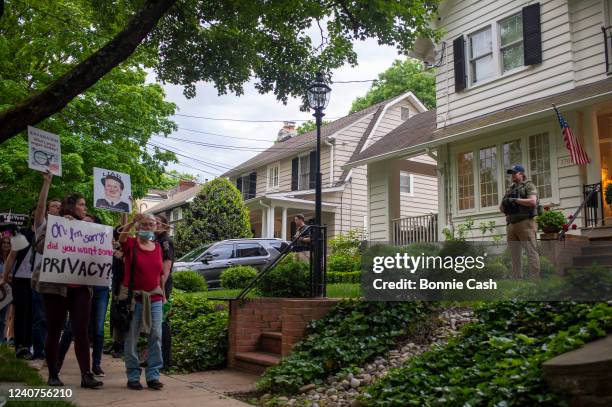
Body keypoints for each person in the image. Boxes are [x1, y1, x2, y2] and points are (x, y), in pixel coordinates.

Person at [31, 187, 102, 389]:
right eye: (81, 204)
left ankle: (86, 376)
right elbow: (40, 247)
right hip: (56, 287)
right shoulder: (54, 224)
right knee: (55, 330)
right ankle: (53, 375)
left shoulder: (88, 228)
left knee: (81, 332)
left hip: (81, 287)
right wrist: (61, 231)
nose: (85, 208)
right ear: (70, 206)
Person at [57, 214, 108, 377]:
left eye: (89, 223)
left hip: (99, 288)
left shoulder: (102, 241)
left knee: (98, 330)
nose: (84, 225)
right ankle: (56, 364)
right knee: (73, 328)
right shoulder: (74, 240)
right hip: (83, 289)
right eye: (82, 222)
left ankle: (96, 364)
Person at [119, 214, 165, 390]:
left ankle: (153, 375)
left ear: (155, 227)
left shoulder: (158, 247)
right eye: (144, 225)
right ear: (138, 227)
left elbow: (159, 273)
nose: (147, 228)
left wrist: (164, 294)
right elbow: (121, 238)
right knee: (131, 337)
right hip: (134, 300)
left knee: (156, 335)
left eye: (151, 225)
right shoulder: (131, 244)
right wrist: (130, 221)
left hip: (155, 298)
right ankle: (132, 376)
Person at [500, 165, 541, 279]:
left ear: (522, 174)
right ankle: (517, 280)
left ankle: (535, 281)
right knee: (514, 255)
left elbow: (533, 201)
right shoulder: (510, 189)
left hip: (525, 222)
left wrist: (515, 200)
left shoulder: (529, 185)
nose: (512, 175)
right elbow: (502, 207)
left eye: (515, 173)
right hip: (512, 224)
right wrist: (506, 206)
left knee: (531, 252)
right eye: (511, 173)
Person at [155, 215, 174, 370]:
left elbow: (166, 267)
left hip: (162, 285)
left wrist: (161, 291)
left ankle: (166, 361)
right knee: (155, 323)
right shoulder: (155, 240)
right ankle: (155, 357)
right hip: (155, 285)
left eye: (156, 223)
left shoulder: (165, 241)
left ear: (164, 225)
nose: (154, 225)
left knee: (162, 321)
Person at [0, 235, 12, 343]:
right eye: (4, 242)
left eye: (8, 243)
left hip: (7, 292)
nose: (6, 245)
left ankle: (2, 341)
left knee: (4, 318)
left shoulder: (12, 259)